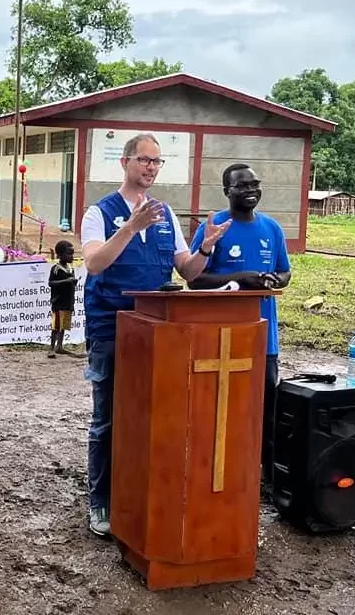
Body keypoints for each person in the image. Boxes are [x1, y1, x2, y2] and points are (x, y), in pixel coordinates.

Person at [80, 132, 232, 538]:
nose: (150, 167)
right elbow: (95, 263)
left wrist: (206, 250)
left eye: (156, 162)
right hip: (111, 330)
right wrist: (129, 228)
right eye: (144, 159)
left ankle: (141, 492)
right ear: (125, 162)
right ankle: (100, 501)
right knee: (108, 419)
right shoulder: (99, 212)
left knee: (153, 417)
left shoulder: (165, 215)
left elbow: (187, 272)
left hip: (159, 334)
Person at [188, 163, 291, 480]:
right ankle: (217, 471)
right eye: (242, 186)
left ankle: (265, 477)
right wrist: (241, 279)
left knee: (264, 409)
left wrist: (274, 279)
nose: (250, 190)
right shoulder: (214, 227)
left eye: (254, 185)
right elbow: (194, 279)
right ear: (226, 191)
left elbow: (285, 270)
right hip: (221, 339)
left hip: (264, 338)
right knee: (221, 409)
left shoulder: (272, 228)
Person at [48, 240, 80, 358]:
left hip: (68, 300)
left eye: (72, 254)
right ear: (60, 255)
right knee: (56, 325)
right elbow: (51, 283)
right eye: (69, 254)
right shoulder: (56, 268)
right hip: (58, 301)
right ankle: (51, 348)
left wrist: (73, 282)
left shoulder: (71, 268)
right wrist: (66, 281)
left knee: (64, 325)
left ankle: (60, 346)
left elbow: (72, 282)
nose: (72, 256)